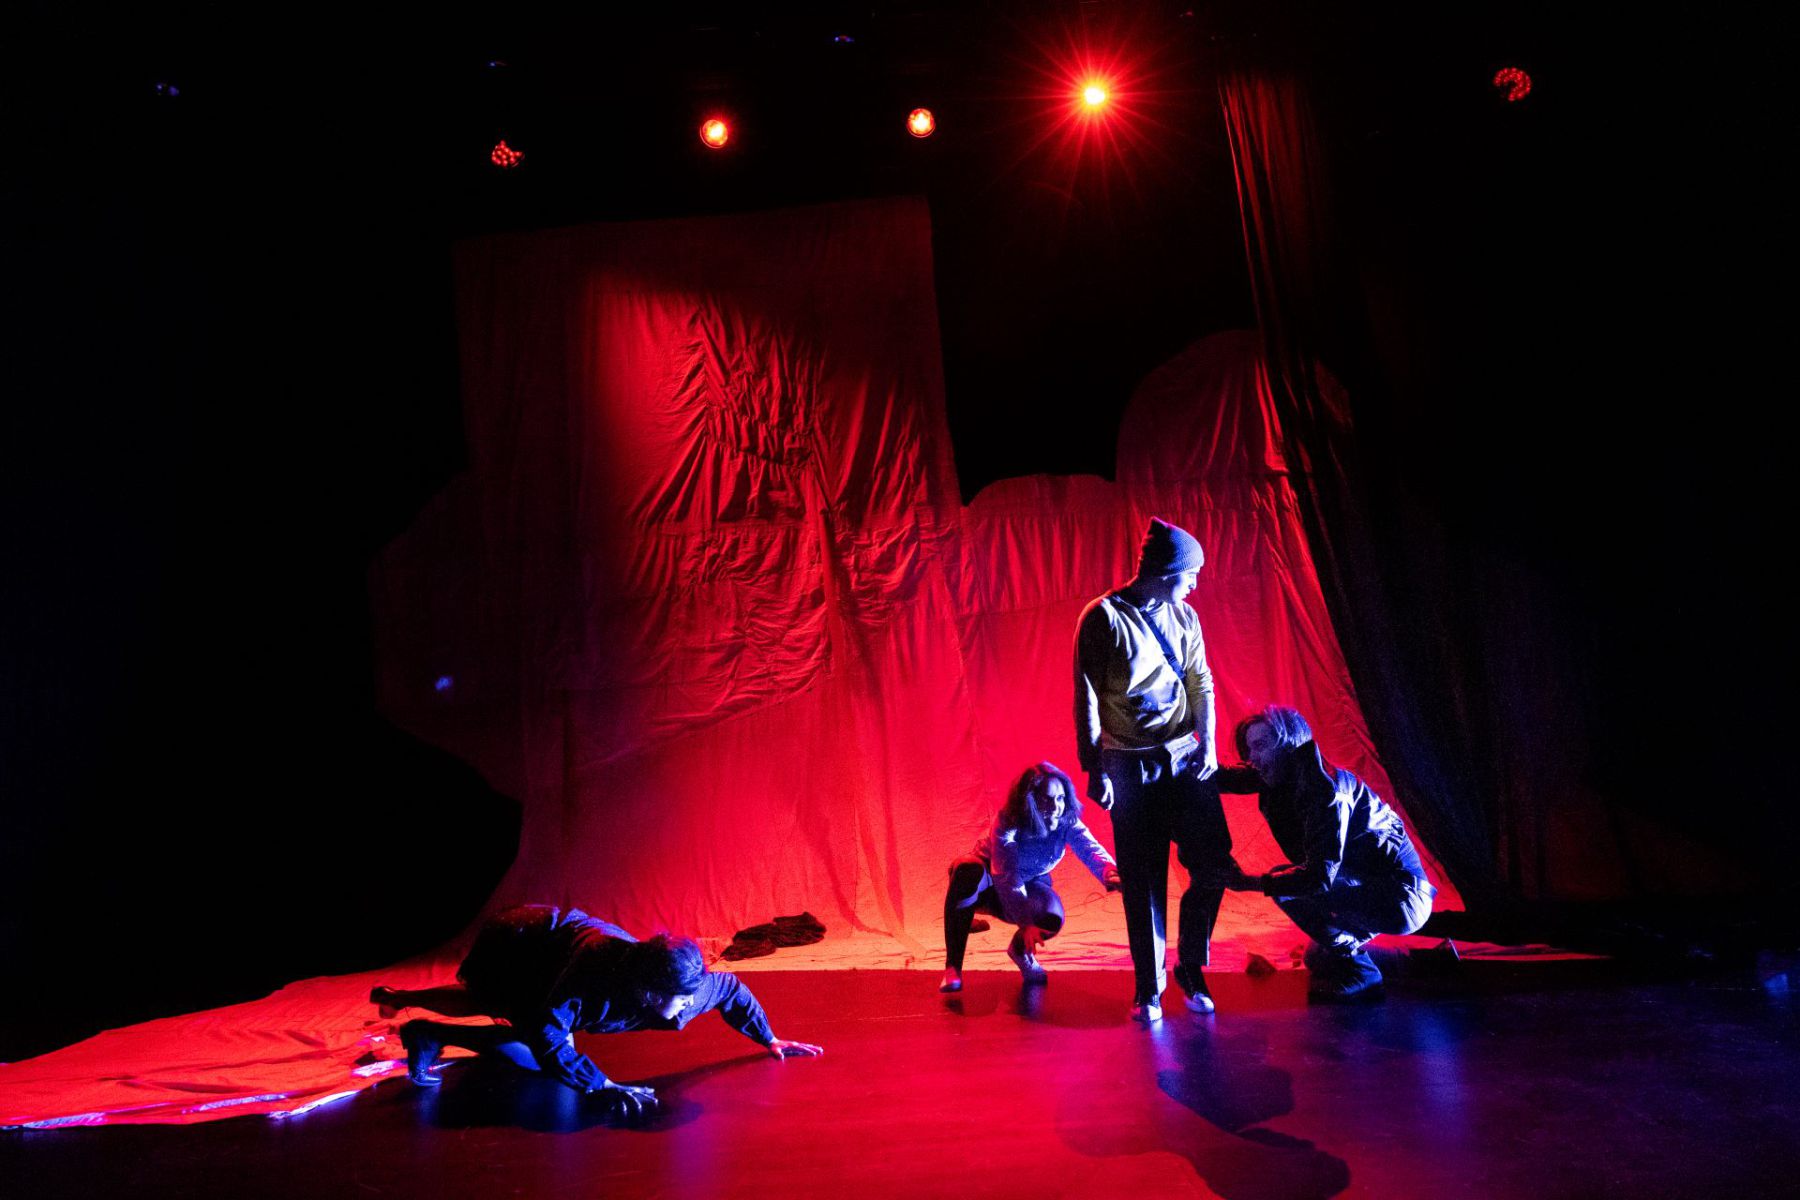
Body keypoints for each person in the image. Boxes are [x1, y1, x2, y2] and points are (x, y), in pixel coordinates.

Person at [368, 905, 822, 1113]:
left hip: (562, 946)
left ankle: (400, 1001)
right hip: (522, 940)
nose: (689, 1006)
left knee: (522, 1024)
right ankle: (427, 1031)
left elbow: (732, 991)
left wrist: (769, 1037)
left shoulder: (689, 988)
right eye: (680, 999)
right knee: (506, 1014)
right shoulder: (591, 983)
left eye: (691, 996)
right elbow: (547, 1035)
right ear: (648, 992)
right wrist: (599, 1083)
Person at [1074, 517, 1233, 1022]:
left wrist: (1208, 742)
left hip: (1184, 756)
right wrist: (1095, 767)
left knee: (1213, 861)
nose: (1196, 584)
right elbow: (1087, 696)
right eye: (1191, 574)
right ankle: (1149, 987)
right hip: (1130, 764)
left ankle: (1191, 965)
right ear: (1166, 572)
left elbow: (1201, 680)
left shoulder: (1184, 616)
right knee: (1142, 880)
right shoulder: (1103, 618)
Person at [1212, 706, 1436, 1001]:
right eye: (1249, 749)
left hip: (1402, 898)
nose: (1252, 758)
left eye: (1260, 746)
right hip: (1367, 887)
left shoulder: (1325, 790)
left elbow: (1319, 878)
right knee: (1317, 959)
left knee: (1285, 889)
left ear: (1288, 743)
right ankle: (1405, 960)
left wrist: (1250, 883)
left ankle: (1363, 972)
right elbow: (1226, 777)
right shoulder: (1281, 771)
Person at [940, 761, 1121, 992]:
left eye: (1060, 798)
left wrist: (1109, 872)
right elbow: (1005, 875)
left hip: (1026, 884)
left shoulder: (1065, 820)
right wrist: (1025, 922)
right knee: (966, 869)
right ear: (1030, 799)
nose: (1056, 807)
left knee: (1052, 917)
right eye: (1047, 799)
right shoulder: (1009, 821)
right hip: (990, 884)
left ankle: (1020, 952)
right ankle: (953, 968)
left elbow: (1089, 847)